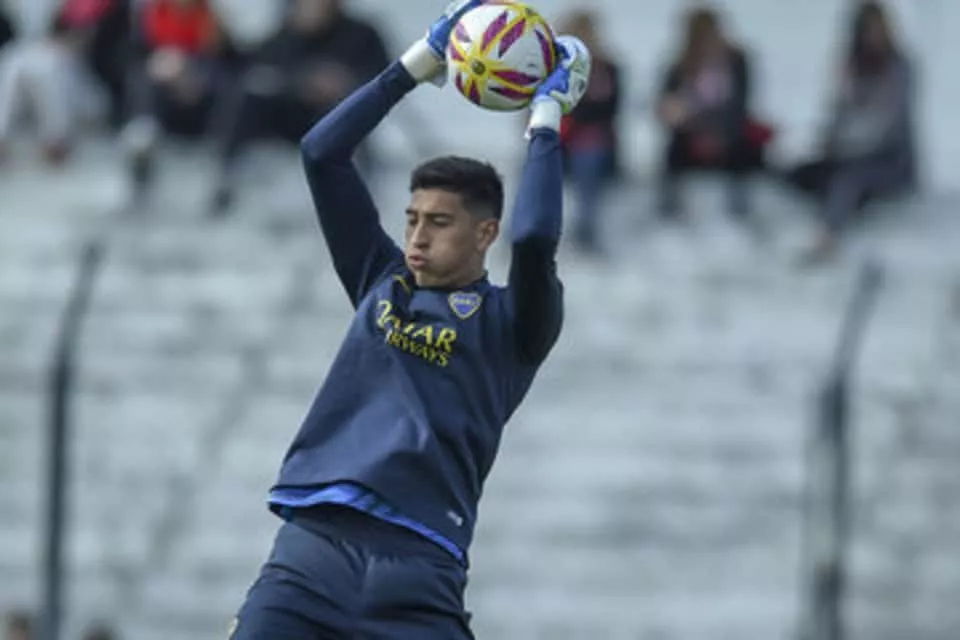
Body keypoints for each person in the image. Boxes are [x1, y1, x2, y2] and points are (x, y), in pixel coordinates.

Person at [228, 1, 591, 637]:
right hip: (311, 556)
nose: (418, 237)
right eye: (412, 219)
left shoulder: (513, 324)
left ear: (485, 234)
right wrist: (417, 64)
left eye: (439, 223)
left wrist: (545, 119)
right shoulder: (381, 278)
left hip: (421, 571)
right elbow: (322, 152)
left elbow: (535, 237)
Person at [209, 0, 389, 215]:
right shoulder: (287, 34)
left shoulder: (361, 34)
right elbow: (256, 65)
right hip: (294, 116)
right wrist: (303, 80)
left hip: (339, 118)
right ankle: (226, 179)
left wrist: (345, 82)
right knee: (249, 98)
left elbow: (384, 77)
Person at [787, 0, 917, 265]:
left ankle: (827, 239)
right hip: (846, 155)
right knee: (801, 173)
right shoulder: (851, 68)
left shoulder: (898, 70)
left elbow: (887, 126)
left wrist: (846, 145)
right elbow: (837, 116)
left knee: (847, 181)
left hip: (890, 160)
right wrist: (830, 142)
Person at [655, 6, 769, 224]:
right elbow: (666, 104)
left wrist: (717, 133)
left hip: (727, 134)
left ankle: (741, 210)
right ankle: (669, 210)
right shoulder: (679, 66)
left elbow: (740, 105)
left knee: (745, 149)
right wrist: (693, 127)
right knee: (672, 152)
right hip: (690, 135)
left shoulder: (737, 62)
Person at [557, 8, 622, 255]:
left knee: (588, 159)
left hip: (594, 143)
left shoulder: (608, 69)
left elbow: (611, 110)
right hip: (559, 140)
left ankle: (586, 231)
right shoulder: (554, 68)